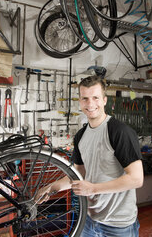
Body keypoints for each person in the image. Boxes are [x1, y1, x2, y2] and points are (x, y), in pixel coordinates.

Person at [35, 75, 144, 237]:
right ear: (79, 101)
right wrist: (52, 187)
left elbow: (136, 179)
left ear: (105, 100)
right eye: (85, 98)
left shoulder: (120, 132)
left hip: (118, 225)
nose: (90, 104)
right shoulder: (80, 136)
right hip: (89, 220)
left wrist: (93, 188)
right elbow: (78, 175)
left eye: (95, 98)